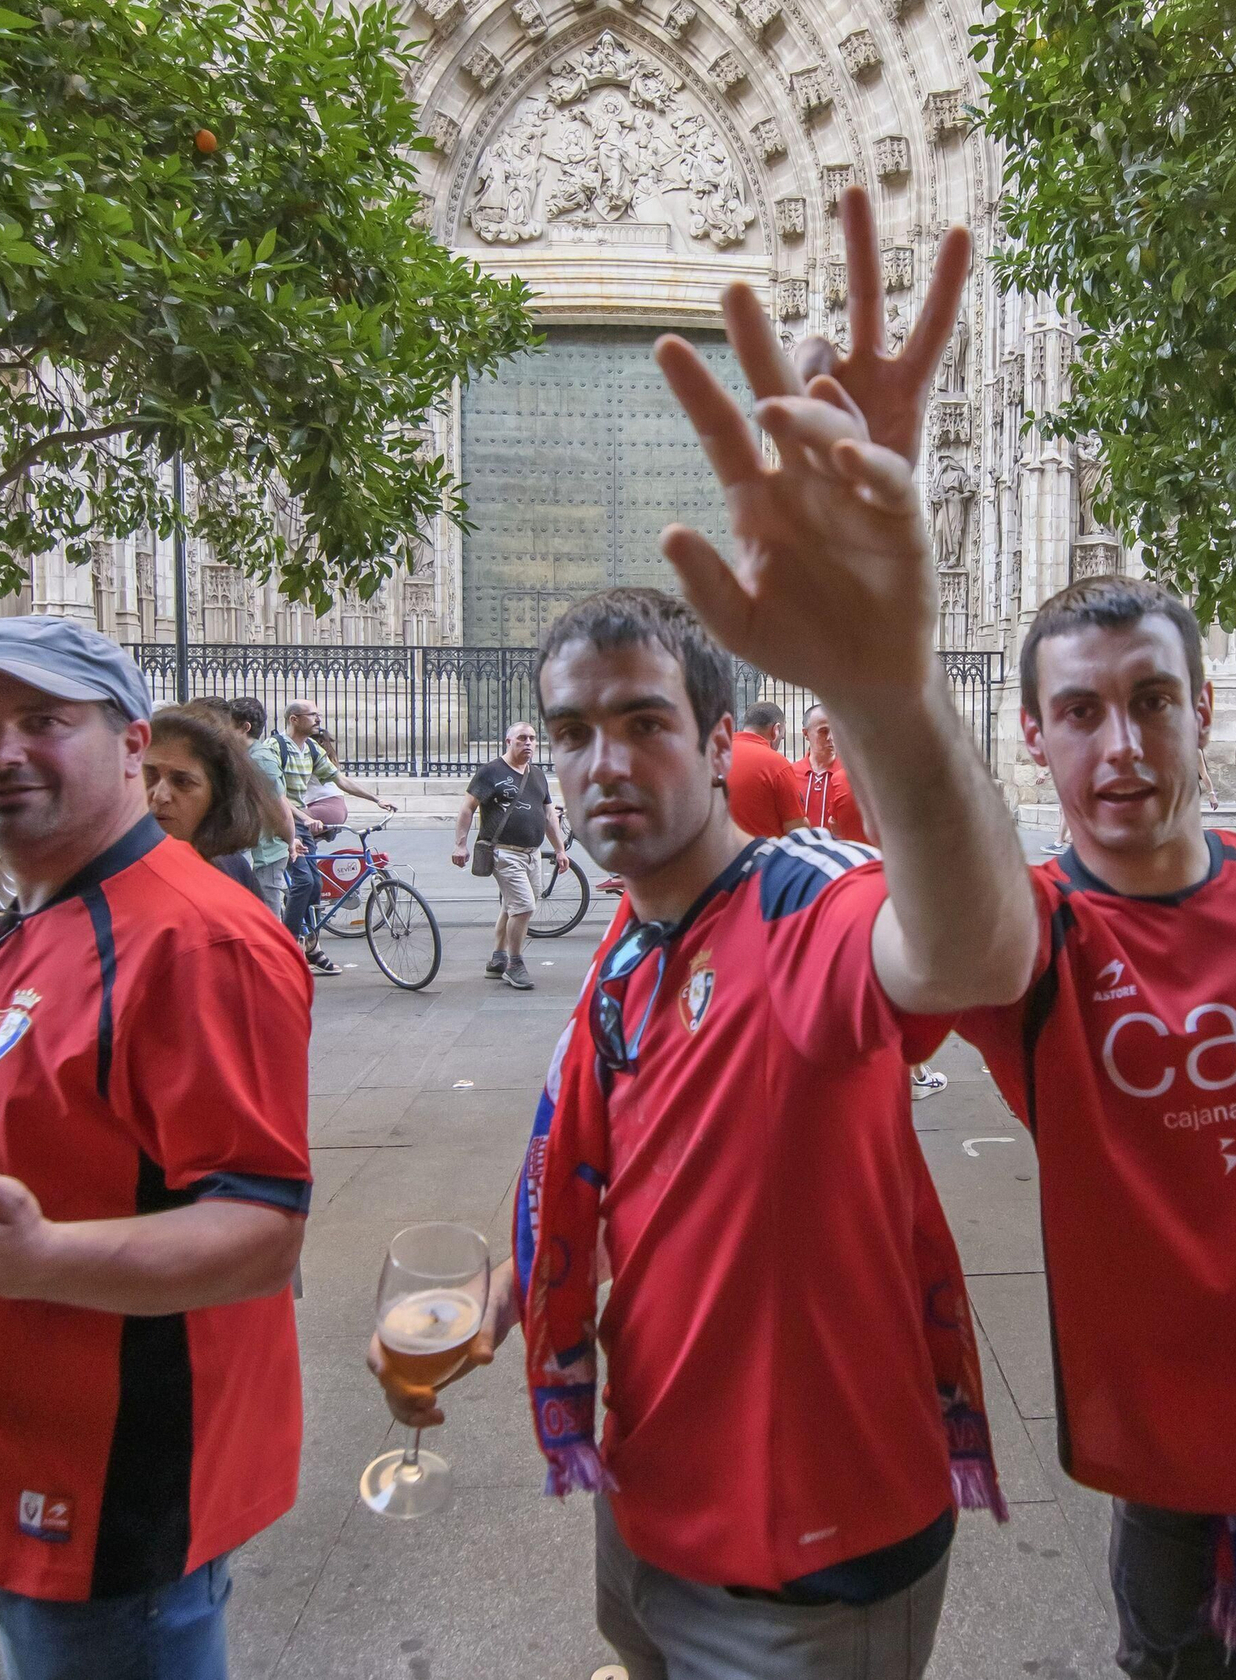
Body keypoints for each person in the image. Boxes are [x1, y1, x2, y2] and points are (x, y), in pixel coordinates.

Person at [778, 194, 1236, 1680]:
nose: (1120, 743)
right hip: (1181, 1472)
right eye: (1078, 711)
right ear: (1039, 741)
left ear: (1194, 710)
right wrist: (887, 654)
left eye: (1152, 699)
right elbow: (934, 911)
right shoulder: (1027, 944)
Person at [373, 212, 1036, 1679]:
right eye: (570, 732)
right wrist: (500, 1289)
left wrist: (892, 689)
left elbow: (976, 950)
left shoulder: (809, 901)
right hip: (649, 1505)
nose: (600, 761)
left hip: (814, 1555)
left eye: (644, 721)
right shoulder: (626, 954)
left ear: (723, 736)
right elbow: (629, 1169)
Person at [0, 615, 312, 1680]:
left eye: (42, 720)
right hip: (12, 1467)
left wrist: (37, 1260)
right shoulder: (35, 922)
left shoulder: (194, 938)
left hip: (108, 1499)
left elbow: (259, 1235)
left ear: (128, 745)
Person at [275, 699, 396, 974]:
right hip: (281, 820)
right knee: (303, 881)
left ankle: (312, 946)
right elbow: (274, 794)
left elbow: (339, 780)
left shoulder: (312, 748)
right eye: (312, 715)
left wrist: (376, 799)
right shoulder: (276, 747)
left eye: (318, 714)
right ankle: (287, 944)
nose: (318, 719)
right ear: (294, 719)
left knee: (315, 883)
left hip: (301, 822)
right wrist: (305, 817)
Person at [450, 722, 570, 991]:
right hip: (503, 852)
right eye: (521, 738)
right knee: (524, 906)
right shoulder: (491, 772)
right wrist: (461, 845)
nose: (528, 743)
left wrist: (560, 849)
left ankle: (498, 958)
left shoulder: (537, 775)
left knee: (513, 906)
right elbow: (467, 808)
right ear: (508, 741)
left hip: (532, 854)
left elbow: (550, 815)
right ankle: (515, 964)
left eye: (532, 738)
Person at [143, 704, 280, 899]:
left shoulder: (234, 872)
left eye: (182, 782)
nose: (160, 795)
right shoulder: (104, 874)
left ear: (219, 794)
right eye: (149, 776)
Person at [226, 695, 301, 920]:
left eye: (228, 724)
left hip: (267, 851)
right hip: (252, 845)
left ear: (244, 727)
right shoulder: (243, 757)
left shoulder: (261, 760)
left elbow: (280, 808)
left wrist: (290, 842)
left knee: (268, 914)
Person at [726, 699, 806, 837]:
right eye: (782, 737)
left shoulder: (717, 752)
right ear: (776, 730)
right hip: (764, 855)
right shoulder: (777, 764)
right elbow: (797, 830)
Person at [796, 701, 873, 842]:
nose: (831, 738)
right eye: (823, 731)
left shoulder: (850, 777)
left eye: (835, 730)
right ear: (805, 733)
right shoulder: (791, 773)